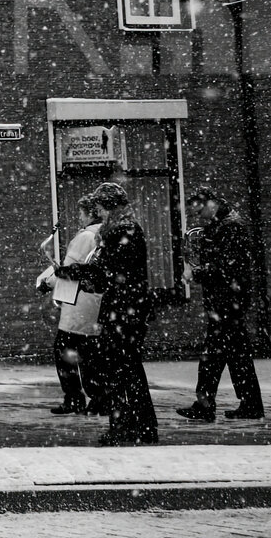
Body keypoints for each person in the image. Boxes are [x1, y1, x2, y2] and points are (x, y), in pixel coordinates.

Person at [57, 181, 158, 446]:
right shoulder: (128, 229)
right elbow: (111, 272)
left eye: (101, 208)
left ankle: (123, 427)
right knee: (131, 369)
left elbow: (107, 273)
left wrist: (74, 272)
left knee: (116, 371)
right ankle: (144, 426)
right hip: (130, 309)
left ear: (110, 207)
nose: (98, 213)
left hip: (121, 310)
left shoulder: (120, 231)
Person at [177, 188, 264, 422]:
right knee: (233, 357)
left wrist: (197, 273)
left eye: (201, 209)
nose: (199, 215)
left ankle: (209, 405)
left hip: (228, 303)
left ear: (212, 203)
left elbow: (228, 267)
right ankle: (247, 404)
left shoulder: (230, 226)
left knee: (216, 358)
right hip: (226, 302)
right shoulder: (219, 225)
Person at [36, 194, 104, 415]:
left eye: (81, 213)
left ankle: (76, 398)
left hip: (78, 305)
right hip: (94, 303)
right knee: (90, 354)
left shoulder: (86, 236)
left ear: (89, 214)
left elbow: (68, 269)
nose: (79, 217)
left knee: (65, 352)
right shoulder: (103, 234)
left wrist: (46, 282)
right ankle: (98, 398)